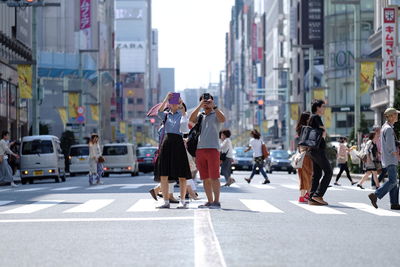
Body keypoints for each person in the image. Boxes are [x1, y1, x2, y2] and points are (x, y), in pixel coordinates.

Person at [156, 93, 192, 209]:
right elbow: (159, 111)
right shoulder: (166, 115)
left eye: (175, 102)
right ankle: (166, 201)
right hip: (166, 143)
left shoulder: (182, 115)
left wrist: (182, 106)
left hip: (178, 143)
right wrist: (166, 97)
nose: (173, 104)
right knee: (164, 174)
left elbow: (185, 127)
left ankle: (182, 200)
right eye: (171, 103)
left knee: (182, 174)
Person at [189, 93, 226, 209]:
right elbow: (191, 119)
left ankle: (217, 201)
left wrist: (214, 106)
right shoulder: (200, 115)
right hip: (200, 149)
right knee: (205, 178)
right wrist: (199, 106)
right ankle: (209, 201)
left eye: (208, 101)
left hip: (213, 149)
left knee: (214, 177)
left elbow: (223, 119)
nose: (206, 103)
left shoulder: (216, 114)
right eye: (203, 101)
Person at [368, 108, 400, 210]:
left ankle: (394, 203)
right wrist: (396, 153)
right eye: (395, 114)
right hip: (391, 158)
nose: (397, 116)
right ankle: (375, 195)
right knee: (393, 181)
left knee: (394, 181)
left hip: (387, 158)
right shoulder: (389, 129)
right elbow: (391, 146)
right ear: (391, 116)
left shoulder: (385, 127)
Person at [307, 99, 333, 206]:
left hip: (313, 150)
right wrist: (324, 129)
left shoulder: (312, 118)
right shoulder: (316, 117)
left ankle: (312, 197)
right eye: (323, 107)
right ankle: (318, 195)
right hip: (318, 150)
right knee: (328, 172)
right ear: (317, 108)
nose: (324, 109)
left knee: (317, 174)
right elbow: (323, 133)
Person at [295, 111, 313, 203]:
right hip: (307, 154)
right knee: (310, 175)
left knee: (302, 176)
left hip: (300, 155)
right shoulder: (308, 129)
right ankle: (308, 194)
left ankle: (302, 196)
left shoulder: (299, 129)